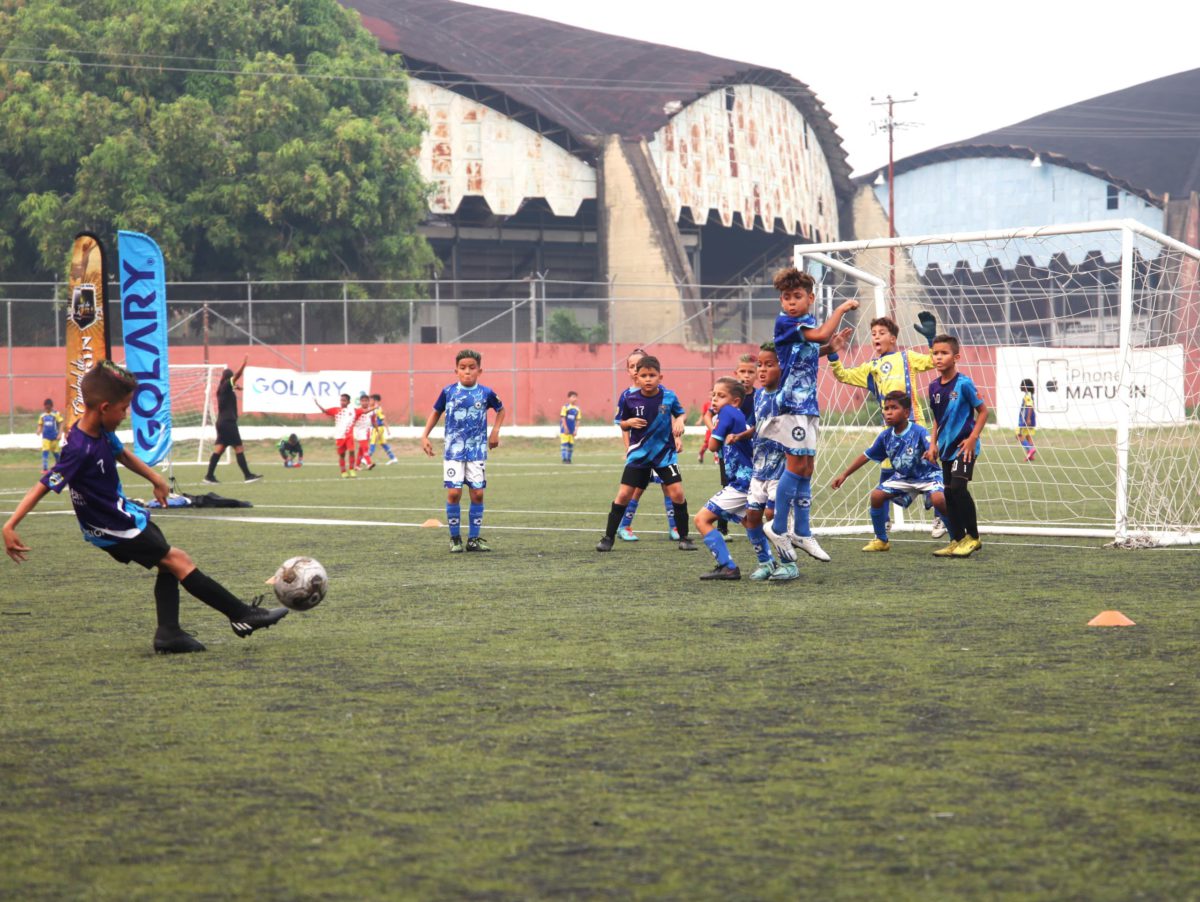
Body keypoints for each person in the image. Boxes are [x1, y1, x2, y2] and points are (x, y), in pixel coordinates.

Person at [3, 361, 288, 654]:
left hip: (122, 515)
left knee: (167, 561)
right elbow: (45, 483)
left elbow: (122, 454)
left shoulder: (98, 431)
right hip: (111, 526)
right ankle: (241, 615)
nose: (125, 414)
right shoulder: (79, 448)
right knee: (179, 560)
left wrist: (155, 478)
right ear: (103, 407)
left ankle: (169, 634)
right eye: (123, 408)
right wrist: (10, 525)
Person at [758, 267, 857, 561]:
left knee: (807, 468)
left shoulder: (804, 322)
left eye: (797, 296)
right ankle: (778, 527)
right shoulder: (787, 322)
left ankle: (801, 531)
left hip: (808, 405)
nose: (790, 302)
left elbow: (810, 349)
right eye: (786, 297)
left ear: (810, 298)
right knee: (796, 465)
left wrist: (830, 348)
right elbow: (821, 333)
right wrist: (841, 308)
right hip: (791, 404)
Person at [827, 314, 947, 538]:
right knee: (886, 473)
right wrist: (833, 354)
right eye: (873, 334)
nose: (876, 337)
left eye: (881, 333)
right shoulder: (871, 367)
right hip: (891, 433)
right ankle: (883, 526)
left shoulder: (906, 357)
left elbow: (933, 361)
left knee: (928, 471)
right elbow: (842, 375)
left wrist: (932, 339)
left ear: (893, 338)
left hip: (915, 425)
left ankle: (940, 517)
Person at [596, 355, 695, 552]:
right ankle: (608, 538)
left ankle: (684, 537)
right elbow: (621, 423)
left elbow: (680, 413)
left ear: (660, 377)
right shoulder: (628, 398)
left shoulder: (669, 396)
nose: (648, 379)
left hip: (665, 455)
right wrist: (629, 423)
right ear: (636, 377)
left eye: (652, 375)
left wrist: (680, 421)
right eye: (644, 375)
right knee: (624, 495)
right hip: (639, 456)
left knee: (677, 493)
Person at [829, 391, 948, 552]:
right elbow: (866, 456)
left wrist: (932, 453)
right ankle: (881, 540)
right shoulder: (885, 436)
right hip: (903, 478)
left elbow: (932, 448)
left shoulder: (918, 431)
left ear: (906, 413)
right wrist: (844, 474)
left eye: (894, 408)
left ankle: (957, 538)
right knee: (877, 496)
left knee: (939, 499)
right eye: (886, 408)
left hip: (928, 476)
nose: (888, 412)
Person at [420, 349, 505, 552]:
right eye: (462, 368)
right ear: (456, 370)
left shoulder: (486, 393)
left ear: (480, 370)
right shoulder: (449, 392)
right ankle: (455, 538)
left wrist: (495, 431)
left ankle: (473, 540)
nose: (467, 371)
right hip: (453, 451)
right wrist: (424, 435)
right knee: (454, 493)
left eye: (472, 368)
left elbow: (501, 409)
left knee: (477, 494)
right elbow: (436, 412)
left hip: (476, 451)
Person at [926, 334, 989, 557]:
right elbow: (936, 419)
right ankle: (957, 539)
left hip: (965, 447)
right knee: (948, 494)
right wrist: (932, 444)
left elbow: (983, 411)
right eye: (935, 353)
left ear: (956, 357)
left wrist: (972, 438)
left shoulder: (964, 384)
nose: (939, 357)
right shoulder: (933, 387)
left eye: (944, 353)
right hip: (945, 449)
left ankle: (973, 537)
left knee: (959, 488)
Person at [745, 342, 800, 582]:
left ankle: (789, 565)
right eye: (760, 365)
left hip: (781, 469)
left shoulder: (786, 395)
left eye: (770, 364)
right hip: (759, 469)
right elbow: (760, 425)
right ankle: (765, 562)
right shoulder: (758, 396)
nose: (762, 370)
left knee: (774, 516)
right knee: (751, 517)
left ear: (782, 367)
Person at [614, 348, 679, 541]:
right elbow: (624, 426)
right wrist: (628, 449)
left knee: (669, 487)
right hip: (640, 453)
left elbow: (673, 416)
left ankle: (674, 528)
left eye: (639, 365)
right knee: (635, 489)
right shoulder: (627, 396)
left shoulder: (663, 393)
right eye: (632, 366)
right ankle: (624, 526)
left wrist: (678, 438)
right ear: (628, 371)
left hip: (662, 452)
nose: (636, 369)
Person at [701, 353, 759, 537]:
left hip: (745, 456)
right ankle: (766, 551)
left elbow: (711, 445)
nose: (746, 375)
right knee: (747, 516)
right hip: (735, 452)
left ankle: (727, 564)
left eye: (750, 371)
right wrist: (716, 431)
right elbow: (708, 416)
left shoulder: (754, 398)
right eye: (742, 371)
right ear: (736, 373)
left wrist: (719, 435)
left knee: (701, 519)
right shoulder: (726, 401)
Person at [203, 355, 262, 484]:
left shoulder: (222, 388)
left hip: (221, 423)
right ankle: (248, 476)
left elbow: (232, 386)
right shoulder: (226, 386)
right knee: (239, 448)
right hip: (228, 423)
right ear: (229, 378)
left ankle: (209, 476)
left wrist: (237, 388)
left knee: (219, 449)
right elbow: (237, 376)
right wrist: (243, 364)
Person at [314, 392, 368, 478]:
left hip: (349, 436)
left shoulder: (353, 411)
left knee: (351, 452)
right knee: (342, 455)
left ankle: (351, 470)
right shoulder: (336, 410)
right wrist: (317, 404)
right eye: (341, 400)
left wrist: (374, 408)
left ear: (348, 402)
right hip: (339, 436)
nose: (342, 402)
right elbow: (324, 411)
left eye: (344, 400)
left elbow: (365, 411)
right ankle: (343, 471)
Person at [368, 393, 398, 466]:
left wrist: (388, 430)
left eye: (370, 400)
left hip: (378, 428)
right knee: (383, 443)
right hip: (378, 428)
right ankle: (393, 458)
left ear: (374, 401)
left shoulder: (378, 409)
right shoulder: (374, 408)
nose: (369, 402)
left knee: (373, 442)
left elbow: (383, 419)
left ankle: (366, 459)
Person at [35, 398, 64, 474]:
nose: (47, 409)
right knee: (45, 452)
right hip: (46, 438)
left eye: (48, 407)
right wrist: (38, 430)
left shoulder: (56, 414)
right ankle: (45, 469)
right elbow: (40, 424)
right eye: (45, 407)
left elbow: (61, 423)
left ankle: (60, 466)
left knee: (56, 453)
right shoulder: (42, 415)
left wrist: (60, 433)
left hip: (54, 437)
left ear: (51, 406)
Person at [353, 393, 375, 470]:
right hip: (359, 431)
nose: (364, 402)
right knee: (365, 447)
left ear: (368, 402)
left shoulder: (371, 411)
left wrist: (377, 429)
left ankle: (357, 465)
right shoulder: (358, 410)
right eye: (363, 401)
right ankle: (369, 463)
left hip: (367, 431)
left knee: (361, 449)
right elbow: (353, 420)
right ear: (360, 402)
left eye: (366, 401)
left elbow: (373, 420)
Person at [1017, 378, 1037, 461]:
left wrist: (1028, 418)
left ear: (1025, 386)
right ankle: (1031, 456)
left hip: (1025, 419)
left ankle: (1030, 449)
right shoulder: (1029, 395)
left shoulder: (1028, 395)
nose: (1020, 386)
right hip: (1030, 418)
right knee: (1028, 436)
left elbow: (1029, 406)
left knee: (1018, 435)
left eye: (1021, 385)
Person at [559, 391, 581, 464]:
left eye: (576, 397)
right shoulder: (565, 407)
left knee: (570, 445)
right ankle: (564, 459)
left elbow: (578, 420)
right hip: (564, 430)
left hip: (572, 430)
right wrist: (565, 427)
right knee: (564, 444)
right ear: (569, 398)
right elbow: (563, 418)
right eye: (573, 397)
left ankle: (569, 459)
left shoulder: (577, 409)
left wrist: (576, 430)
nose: (575, 399)